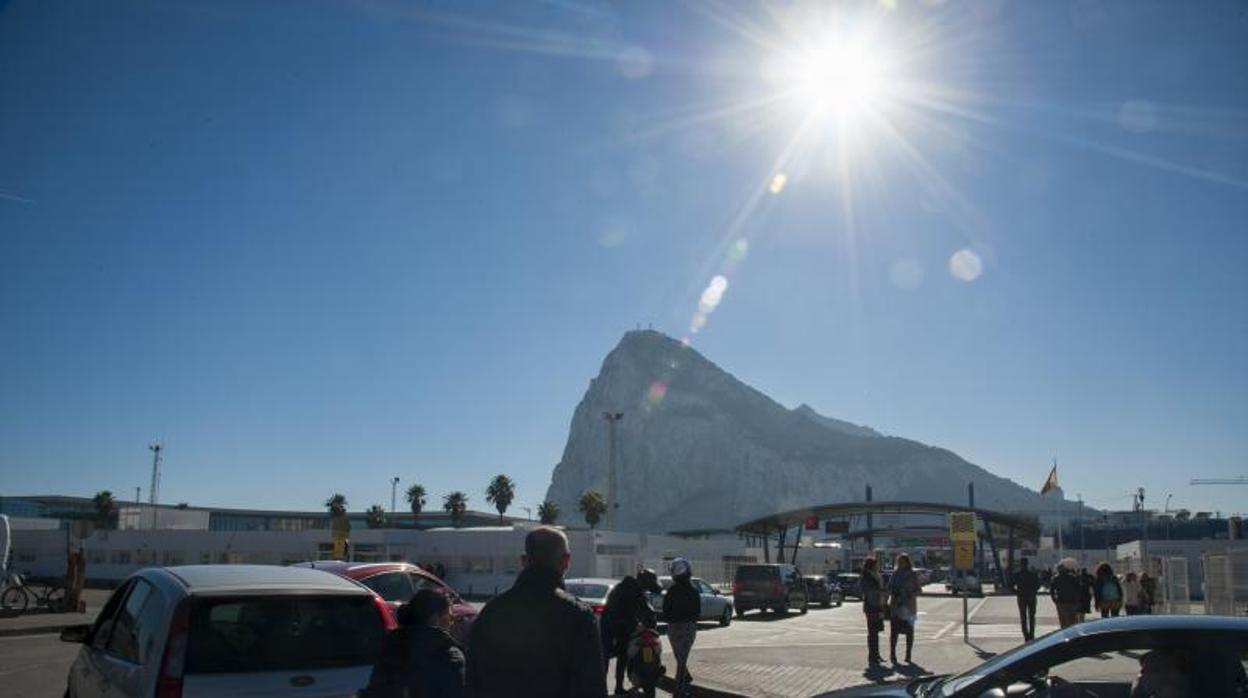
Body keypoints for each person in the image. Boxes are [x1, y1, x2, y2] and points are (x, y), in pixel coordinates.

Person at [466, 526, 606, 698]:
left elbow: (472, 679)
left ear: (524, 561)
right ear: (566, 561)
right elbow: (591, 687)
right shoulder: (578, 616)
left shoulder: (491, 611)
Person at [359, 588, 466, 698]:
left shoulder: (391, 646)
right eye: (450, 618)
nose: (451, 623)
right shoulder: (448, 656)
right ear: (435, 617)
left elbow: (375, 690)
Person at [600, 568, 658, 695]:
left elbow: (646, 608)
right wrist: (648, 617)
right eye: (647, 585)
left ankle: (618, 686)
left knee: (623, 655)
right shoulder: (631, 589)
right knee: (607, 655)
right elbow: (642, 607)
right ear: (643, 582)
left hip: (623, 625)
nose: (647, 588)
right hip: (610, 625)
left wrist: (651, 618)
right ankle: (602, 688)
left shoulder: (633, 587)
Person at [662, 558, 700, 697]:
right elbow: (697, 612)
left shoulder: (671, 591)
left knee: (680, 657)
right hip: (688, 627)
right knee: (682, 660)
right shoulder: (693, 591)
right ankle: (679, 690)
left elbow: (665, 611)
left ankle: (685, 679)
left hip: (672, 628)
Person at [887, 553, 920, 664]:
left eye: (903, 561)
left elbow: (919, 590)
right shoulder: (895, 574)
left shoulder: (912, 574)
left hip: (908, 608)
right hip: (896, 606)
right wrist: (893, 592)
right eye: (899, 561)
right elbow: (889, 587)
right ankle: (892, 654)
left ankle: (908, 655)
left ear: (907, 562)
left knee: (909, 632)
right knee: (894, 632)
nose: (900, 564)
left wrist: (910, 593)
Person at [860, 556, 888, 666]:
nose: (878, 566)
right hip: (871, 606)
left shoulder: (877, 575)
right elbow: (867, 591)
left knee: (876, 631)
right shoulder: (866, 576)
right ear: (871, 565)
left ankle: (876, 654)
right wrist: (879, 591)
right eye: (876, 564)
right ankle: (872, 656)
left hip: (879, 605)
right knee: (872, 632)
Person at [1011, 558, 1041, 641]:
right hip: (1031, 596)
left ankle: (1026, 634)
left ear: (1021, 564)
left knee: (1023, 617)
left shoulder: (1017, 574)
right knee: (1032, 616)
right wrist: (1033, 591)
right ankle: (1031, 634)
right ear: (1027, 564)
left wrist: (1017, 592)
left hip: (1021, 597)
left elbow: (1011, 585)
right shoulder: (1033, 574)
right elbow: (1038, 585)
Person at [1049, 560, 1081, 629]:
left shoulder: (1055, 578)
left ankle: (1064, 635)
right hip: (1071, 601)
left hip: (1061, 602)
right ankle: (1072, 635)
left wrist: (1054, 599)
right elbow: (1078, 588)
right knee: (1072, 620)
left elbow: (1051, 590)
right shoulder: (1072, 577)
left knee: (1063, 621)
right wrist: (1077, 600)